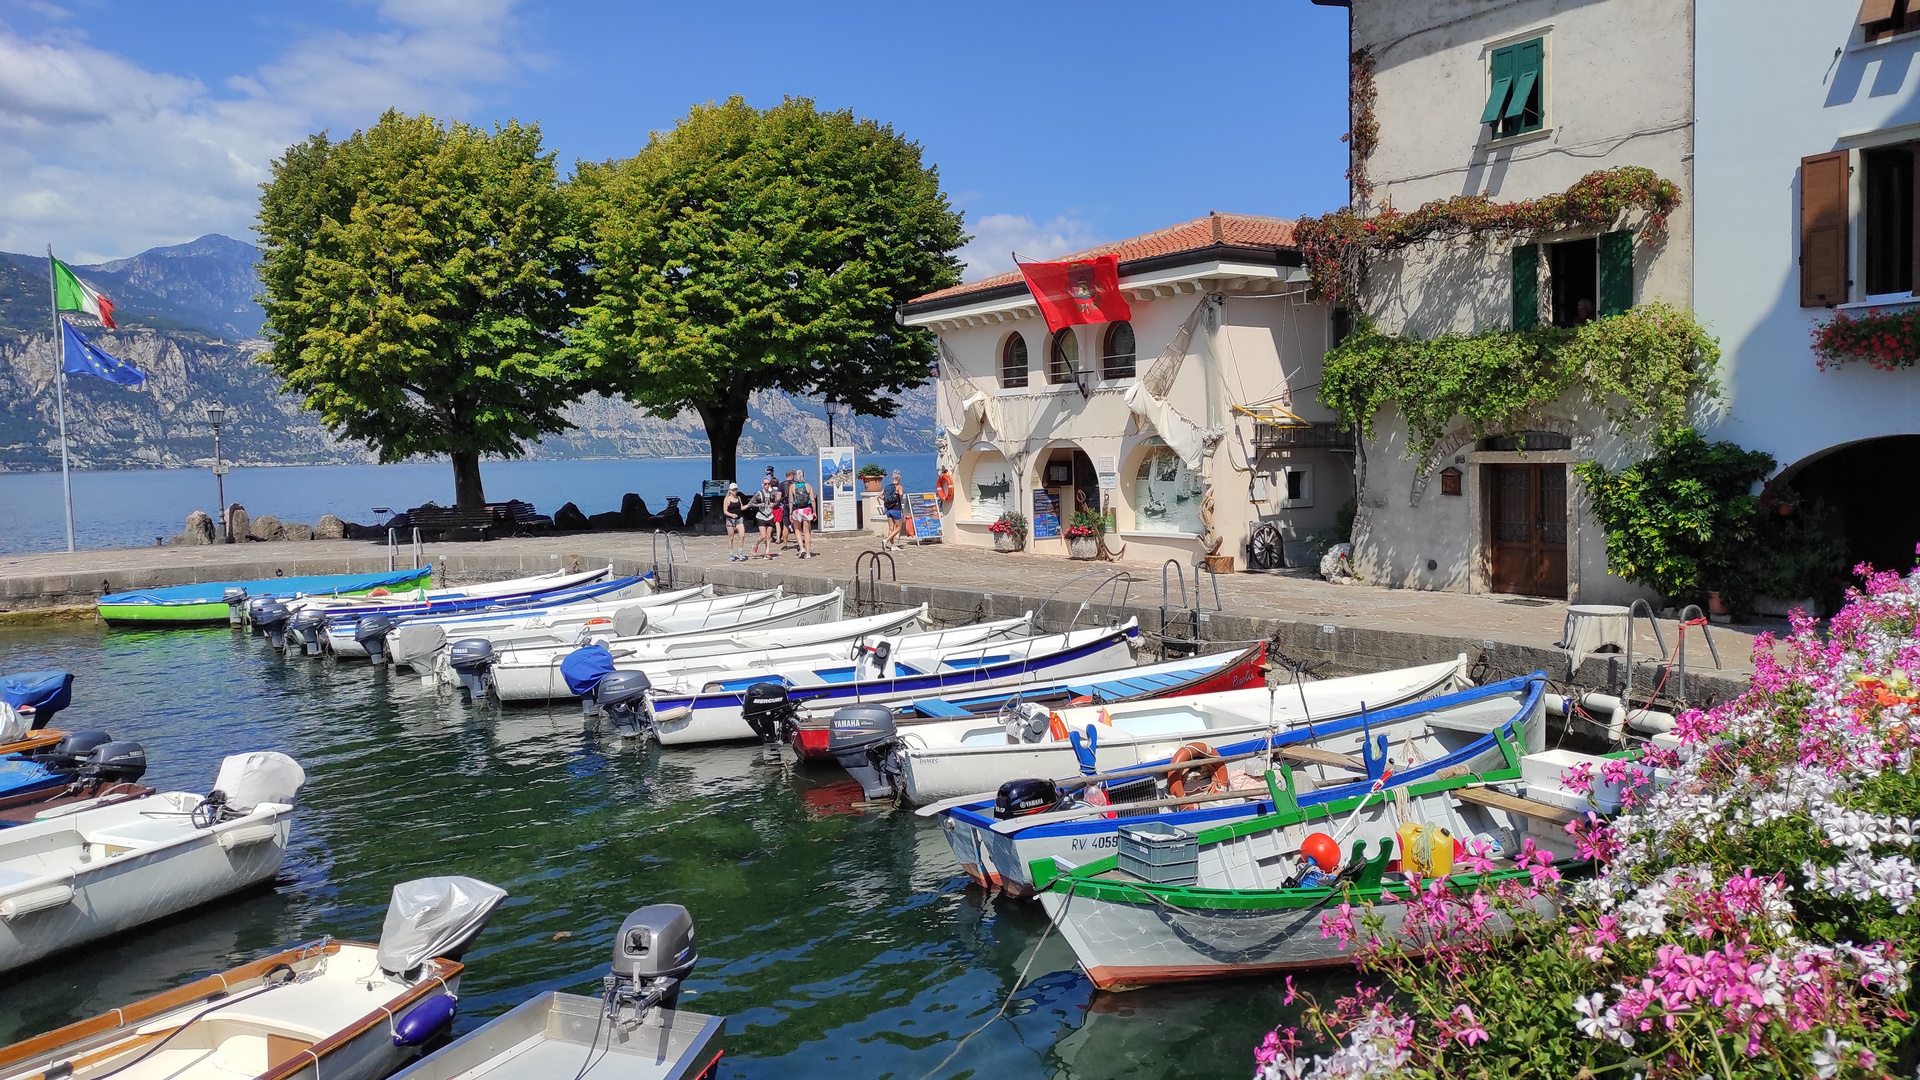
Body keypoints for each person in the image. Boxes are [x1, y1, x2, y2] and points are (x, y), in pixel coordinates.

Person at [748, 478, 779, 558]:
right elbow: (750, 503)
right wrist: (759, 505)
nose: (767, 485)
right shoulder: (759, 493)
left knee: (768, 535)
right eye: (765, 484)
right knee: (763, 535)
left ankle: (767, 552)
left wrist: (774, 504)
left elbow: (777, 501)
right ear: (762, 484)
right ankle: (755, 546)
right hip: (761, 516)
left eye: (768, 484)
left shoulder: (772, 493)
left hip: (770, 515)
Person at [790, 476, 816, 558]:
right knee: (807, 532)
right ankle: (808, 552)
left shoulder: (792, 487)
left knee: (797, 529)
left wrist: (790, 513)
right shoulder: (808, 486)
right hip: (807, 510)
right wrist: (814, 511)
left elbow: (791, 501)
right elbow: (812, 500)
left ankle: (802, 548)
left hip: (797, 510)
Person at [882, 470, 906, 552]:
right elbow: (901, 495)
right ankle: (886, 540)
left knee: (891, 528)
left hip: (888, 509)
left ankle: (892, 546)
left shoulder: (887, 487)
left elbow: (880, 495)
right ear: (899, 479)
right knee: (899, 528)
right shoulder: (899, 487)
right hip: (896, 509)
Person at [723, 482, 747, 561]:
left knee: (742, 535)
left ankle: (740, 552)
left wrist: (749, 505)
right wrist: (731, 515)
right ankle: (731, 554)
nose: (735, 491)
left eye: (736, 490)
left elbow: (741, 508)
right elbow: (725, 511)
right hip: (730, 520)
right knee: (731, 537)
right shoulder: (727, 499)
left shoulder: (739, 498)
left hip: (739, 519)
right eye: (733, 490)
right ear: (730, 491)